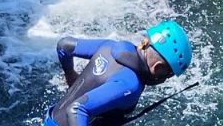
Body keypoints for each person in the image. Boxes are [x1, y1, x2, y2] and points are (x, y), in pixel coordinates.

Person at [43, 21, 193, 126]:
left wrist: (70, 74)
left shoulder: (111, 46)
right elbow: (77, 110)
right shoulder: (130, 85)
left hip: (50, 118)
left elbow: (64, 45)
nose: (165, 80)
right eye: (168, 75)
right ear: (158, 67)